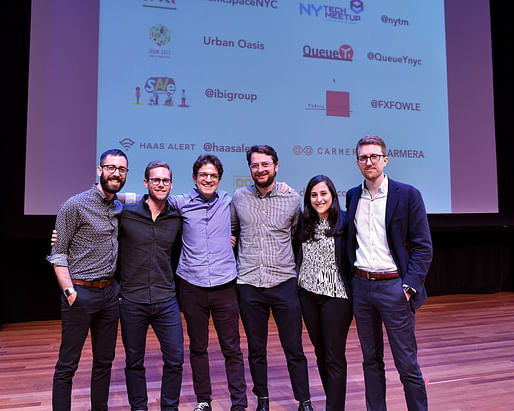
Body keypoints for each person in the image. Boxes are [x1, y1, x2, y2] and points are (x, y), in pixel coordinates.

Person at [345, 135, 432, 410]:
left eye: (374, 156)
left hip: (394, 288)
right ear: (357, 161)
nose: (368, 161)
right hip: (362, 287)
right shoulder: (352, 195)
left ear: (385, 159)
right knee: (371, 361)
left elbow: (423, 247)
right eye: (363, 157)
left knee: (407, 364)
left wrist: (408, 288)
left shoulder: (407, 194)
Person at [231, 145, 313, 411]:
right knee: (256, 349)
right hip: (249, 283)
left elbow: (293, 235)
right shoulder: (239, 197)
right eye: (255, 165)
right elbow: (233, 233)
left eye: (265, 164)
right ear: (250, 169)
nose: (260, 170)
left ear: (276, 166)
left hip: (283, 282)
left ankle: (304, 400)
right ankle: (262, 400)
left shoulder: (292, 198)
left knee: (294, 348)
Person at [47, 149, 128, 411]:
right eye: (111, 167)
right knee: (68, 364)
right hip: (81, 293)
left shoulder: (118, 206)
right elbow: (58, 253)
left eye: (122, 169)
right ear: (99, 170)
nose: (116, 173)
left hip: (109, 294)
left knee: (104, 362)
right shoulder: (74, 205)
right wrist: (70, 291)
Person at [170, 155, 247, 411]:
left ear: (219, 179)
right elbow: (151, 204)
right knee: (198, 347)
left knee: (232, 348)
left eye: (213, 175)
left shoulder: (228, 201)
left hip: (225, 284)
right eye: (204, 175)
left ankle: (239, 403)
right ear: (194, 178)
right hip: (192, 285)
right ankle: (204, 400)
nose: (208, 179)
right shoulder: (180, 202)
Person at [118, 161, 183, 411]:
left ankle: (169, 408)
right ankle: (139, 408)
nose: (160, 184)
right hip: (132, 300)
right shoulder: (126, 213)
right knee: (134, 361)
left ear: (171, 184)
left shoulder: (177, 218)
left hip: (166, 300)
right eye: (155, 180)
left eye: (165, 180)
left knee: (175, 360)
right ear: (146, 183)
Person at [294, 175, 353, 411]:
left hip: (337, 297)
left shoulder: (346, 223)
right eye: (314, 195)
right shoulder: (303, 223)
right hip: (308, 296)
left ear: (333, 195)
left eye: (324, 194)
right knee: (320, 353)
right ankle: (332, 401)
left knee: (334, 356)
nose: (319, 199)